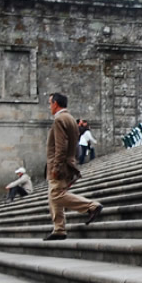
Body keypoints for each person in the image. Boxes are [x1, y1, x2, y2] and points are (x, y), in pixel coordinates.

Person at [44, 92, 102, 240]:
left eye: (50, 103)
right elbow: (76, 146)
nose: (49, 106)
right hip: (68, 163)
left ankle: (91, 206)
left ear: (56, 104)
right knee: (53, 195)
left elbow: (60, 146)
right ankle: (59, 229)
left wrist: (57, 167)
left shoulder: (59, 120)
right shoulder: (70, 119)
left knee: (56, 195)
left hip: (59, 165)